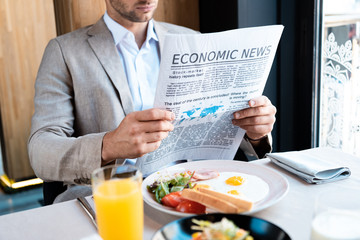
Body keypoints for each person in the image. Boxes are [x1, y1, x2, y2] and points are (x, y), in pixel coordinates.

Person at [28, 0, 276, 203]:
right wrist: (109, 145)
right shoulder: (64, 51)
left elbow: (220, 123)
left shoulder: (192, 39)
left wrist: (256, 131)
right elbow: (40, 150)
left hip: (197, 189)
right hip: (116, 199)